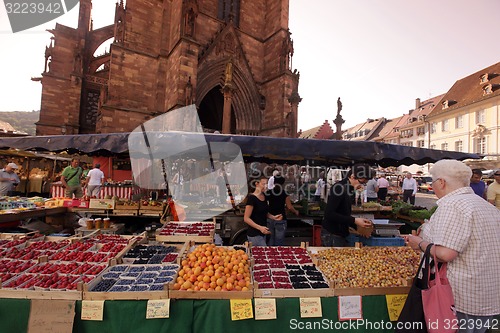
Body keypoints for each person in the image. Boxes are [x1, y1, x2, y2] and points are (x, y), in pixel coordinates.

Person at [405, 160, 500, 333]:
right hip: (487, 295)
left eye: (432, 182)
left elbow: (446, 254)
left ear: (441, 182)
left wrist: (418, 243)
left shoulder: (452, 205)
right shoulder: (486, 206)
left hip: (460, 298)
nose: (432, 186)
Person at [321, 164, 374, 247]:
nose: (362, 186)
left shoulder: (349, 189)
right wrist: (354, 220)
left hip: (340, 233)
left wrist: (359, 226)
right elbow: (329, 214)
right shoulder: (339, 188)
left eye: (365, 184)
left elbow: (343, 213)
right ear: (352, 176)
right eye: (361, 182)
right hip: (332, 235)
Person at [244, 176, 282, 246]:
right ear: (256, 184)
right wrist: (260, 228)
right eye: (263, 184)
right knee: (263, 253)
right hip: (254, 234)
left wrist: (273, 217)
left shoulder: (264, 196)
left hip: (263, 233)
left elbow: (263, 212)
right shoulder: (252, 198)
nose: (265, 186)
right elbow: (246, 218)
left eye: (266, 184)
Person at [266, 175, 299, 246]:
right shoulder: (284, 194)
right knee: (279, 242)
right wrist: (295, 211)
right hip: (280, 219)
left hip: (270, 218)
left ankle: (270, 256)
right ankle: (277, 256)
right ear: (283, 184)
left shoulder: (268, 192)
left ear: (274, 183)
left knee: (270, 241)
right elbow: (289, 207)